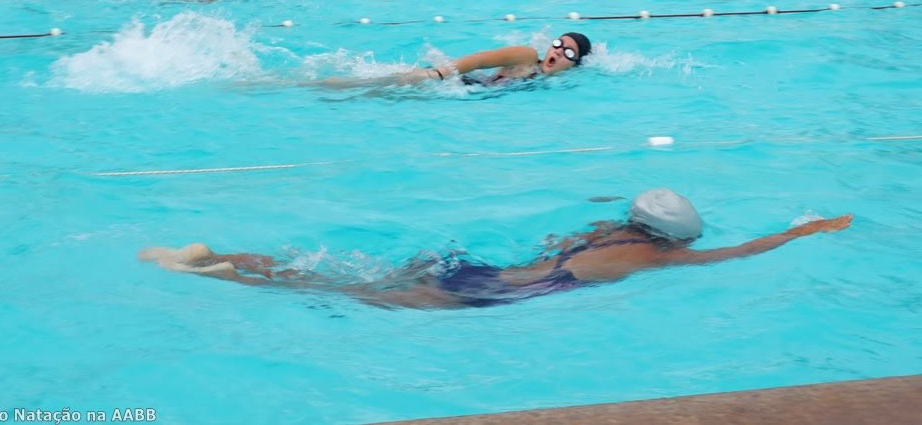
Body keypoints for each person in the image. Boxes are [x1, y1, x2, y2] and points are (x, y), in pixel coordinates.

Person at [139, 189, 853, 310]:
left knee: (340, 272)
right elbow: (740, 254)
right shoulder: (661, 258)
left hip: (473, 267)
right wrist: (802, 231)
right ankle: (216, 272)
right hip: (487, 293)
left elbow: (549, 239)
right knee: (335, 291)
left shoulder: (599, 234)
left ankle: (216, 252)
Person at [322, 31, 593, 89]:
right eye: (558, 44)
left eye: (569, 52)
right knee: (359, 87)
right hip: (452, 82)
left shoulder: (552, 83)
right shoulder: (527, 56)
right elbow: (479, 59)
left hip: (462, 92)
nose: (559, 51)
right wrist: (440, 73)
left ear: (574, 64)